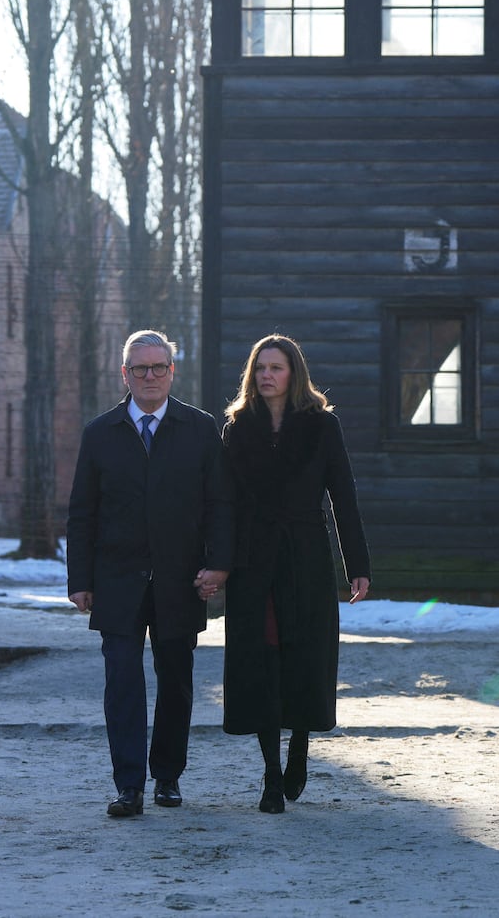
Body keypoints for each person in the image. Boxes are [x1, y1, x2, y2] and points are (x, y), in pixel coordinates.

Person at [66, 329, 234, 818]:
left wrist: (218, 565)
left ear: (172, 371)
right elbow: (82, 512)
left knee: (176, 680)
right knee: (121, 681)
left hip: (181, 578)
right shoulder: (101, 433)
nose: (150, 376)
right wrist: (80, 579)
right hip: (115, 579)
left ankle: (167, 777)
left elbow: (220, 505)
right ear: (125, 374)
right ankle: (129, 786)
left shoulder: (200, 430)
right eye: (140, 369)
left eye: (159, 367)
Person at [221, 335, 370, 814]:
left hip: (306, 554)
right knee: (262, 659)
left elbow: (342, 495)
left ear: (294, 372)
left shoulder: (322, 426)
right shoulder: (238, 428)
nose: (267, 375)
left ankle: (300, 746)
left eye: (277, 367)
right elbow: (223, 505)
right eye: (260, 367)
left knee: (304, 656)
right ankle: (269, 774)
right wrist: (219, 562)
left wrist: (358, 567)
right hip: (254, 560)